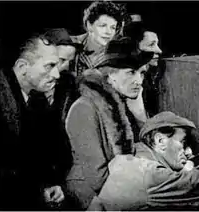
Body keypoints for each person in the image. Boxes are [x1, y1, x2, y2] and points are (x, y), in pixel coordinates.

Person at [64, 37, 154, 210]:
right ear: (110, 75)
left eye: (141, 73)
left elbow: (146, 151)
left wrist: (140, 114)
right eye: (131, 72)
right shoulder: (84, 108)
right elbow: (97, 177)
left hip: (117, 187)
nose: (139, 81)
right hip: (89, 195)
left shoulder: (124, 103)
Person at [0, 32, 74, 210]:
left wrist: (53, 184)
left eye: (57, 66)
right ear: (22, 67)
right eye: (49, 66)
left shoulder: (39, 101)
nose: (57, 74)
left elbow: (58, 153)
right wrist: (36, 191)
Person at [96, 111, 199, 211]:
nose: (189, 152)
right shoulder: (149, 174)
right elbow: (194, 186)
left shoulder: (135, 158)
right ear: (160, 141)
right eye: (183, 143)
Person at [71, 0, 127, 77]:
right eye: (103, 26)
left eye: (113, 28)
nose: (108, 32)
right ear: (89, 26)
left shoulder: (118, 53)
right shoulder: (71, 44)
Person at [123, 21, 163, 121]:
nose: (159, 51)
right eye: (151, 45)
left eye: (157, 44)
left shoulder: (150, 76)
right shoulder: (128, 84)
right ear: (135, 48)